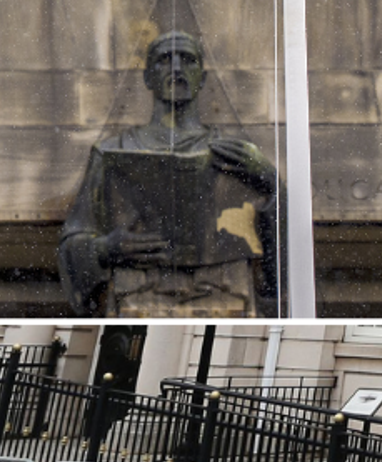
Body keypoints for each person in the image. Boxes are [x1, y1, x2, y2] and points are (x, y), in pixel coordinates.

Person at [59, 32, 279, 317]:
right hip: (141, 298)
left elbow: (284, 260)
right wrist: (103, 248)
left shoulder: (238, 157)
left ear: (202, 77)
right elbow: (74, 240)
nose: (176, 68)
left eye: (187, 59)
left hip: (225, 297)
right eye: (165, 60)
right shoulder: (112, 152)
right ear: (148, 77)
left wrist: (269, 179)